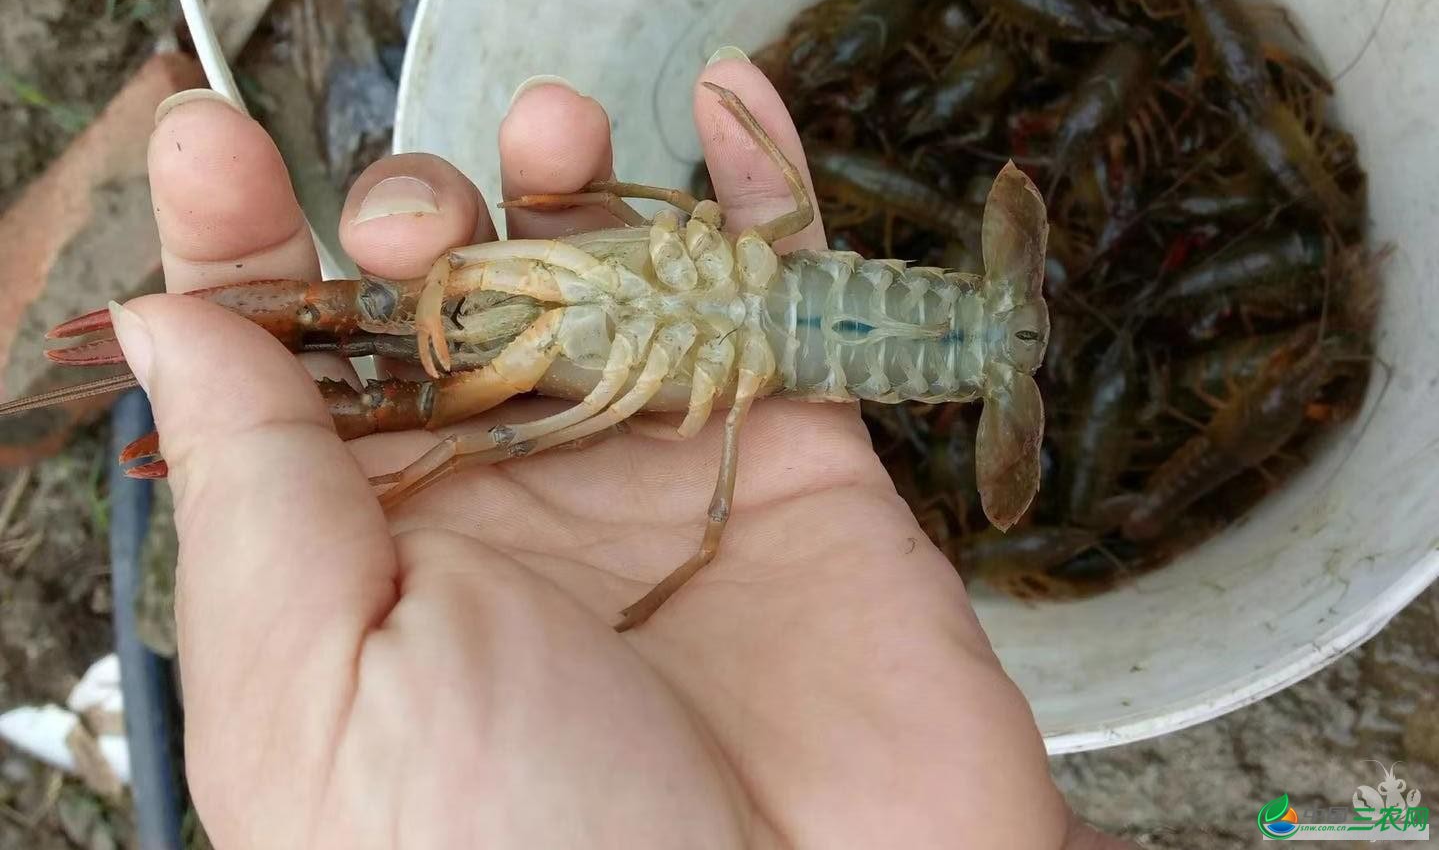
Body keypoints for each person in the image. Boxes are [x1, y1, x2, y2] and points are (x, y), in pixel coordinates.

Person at [110, 52, 1128, 848]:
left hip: (822, 326)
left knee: (455, 381)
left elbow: (534, 390)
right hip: (741, 312)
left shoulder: (677, 369)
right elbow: (634, 239)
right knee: (429, 326)